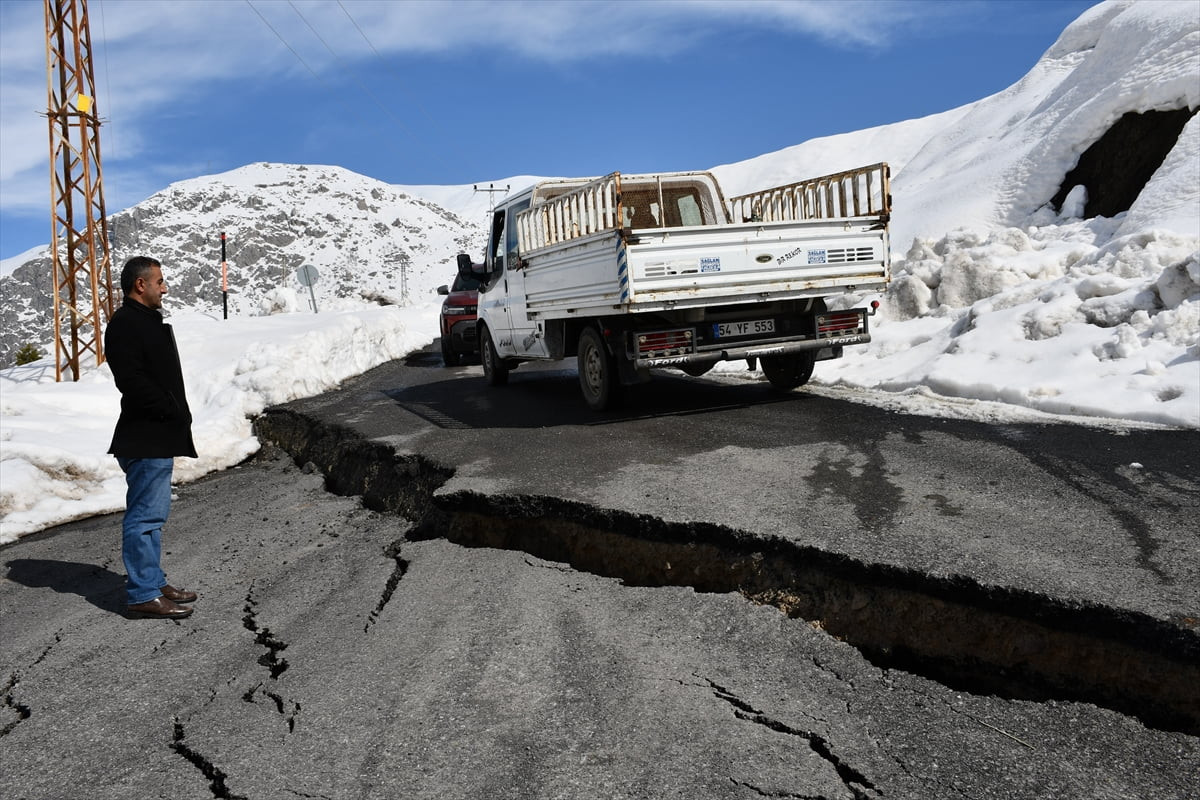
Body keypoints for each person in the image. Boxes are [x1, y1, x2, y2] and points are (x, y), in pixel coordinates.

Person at [104, 256, 199, 619]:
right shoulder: (126, 322)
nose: (165, 287)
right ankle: (142, 593)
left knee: (153, 515)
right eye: (159, 281)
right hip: (145, 435)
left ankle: (153, 582)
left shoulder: (143, 320)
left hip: (155, 433)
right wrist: (168, 408)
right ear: (140, 285)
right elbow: (130, 380)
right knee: (144, 517)